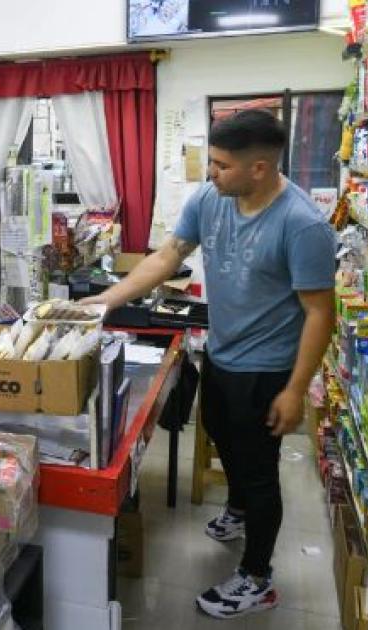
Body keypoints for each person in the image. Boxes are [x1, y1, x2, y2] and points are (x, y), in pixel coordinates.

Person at [81, 109, 337, 619]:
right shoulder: (210, 199)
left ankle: (257, 578)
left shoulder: (302, 224)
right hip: (221, 351)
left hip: (267, 369)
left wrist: (295, 389)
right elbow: (166, 257)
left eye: (221, 165)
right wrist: (103, 303)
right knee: (221, 432)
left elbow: (319, 313)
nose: (211, 173)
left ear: (259, 168)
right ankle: (237, 510)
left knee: (258, 471)